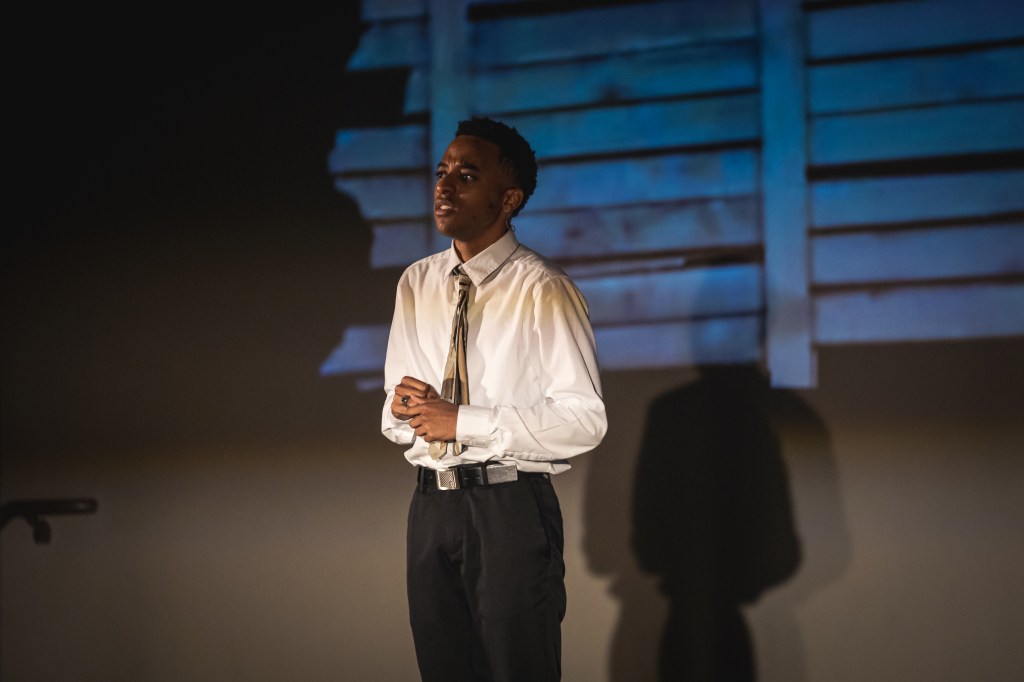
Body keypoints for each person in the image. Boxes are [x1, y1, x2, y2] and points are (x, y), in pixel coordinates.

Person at [381, 117, 607, 681]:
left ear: (508, 199)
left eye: (466, 175)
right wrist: (404, 409)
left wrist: (463, 421)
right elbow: (395, 414)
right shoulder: (416, 282)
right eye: (442, 171)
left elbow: (585, 420)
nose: (444, 185)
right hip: (432, 505)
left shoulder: (542, 287)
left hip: (509, 507)